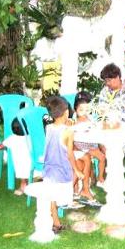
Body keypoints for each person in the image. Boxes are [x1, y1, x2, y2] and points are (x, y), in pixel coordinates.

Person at [43, 96, 85, 233]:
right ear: (66, 112)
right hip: (61, 170)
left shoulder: (49, 128)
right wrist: (77, 170)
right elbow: (70, 154)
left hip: (49, 168)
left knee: (51, 196)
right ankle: (54, 222)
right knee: (58, 196)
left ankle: (56, 223)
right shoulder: (69, 132)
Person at [73, 91, 106, 188]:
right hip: (81, 145)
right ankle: (100, 178)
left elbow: (96, 127)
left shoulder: (90, 117)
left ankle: (99, 177)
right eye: (81, 110)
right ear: (76, 109)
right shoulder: (74, 120)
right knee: (102, 157)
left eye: (87, 109)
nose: (84, 112)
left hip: (91, 143)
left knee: (103, 154)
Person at [0, 118, 30, 195]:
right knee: (28, 171)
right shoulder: (30, 137)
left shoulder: (12, 138)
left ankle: (23, 186)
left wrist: (2, 145)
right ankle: (30, 183)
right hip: (31, 161)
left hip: (19, 163)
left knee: (22, 174)